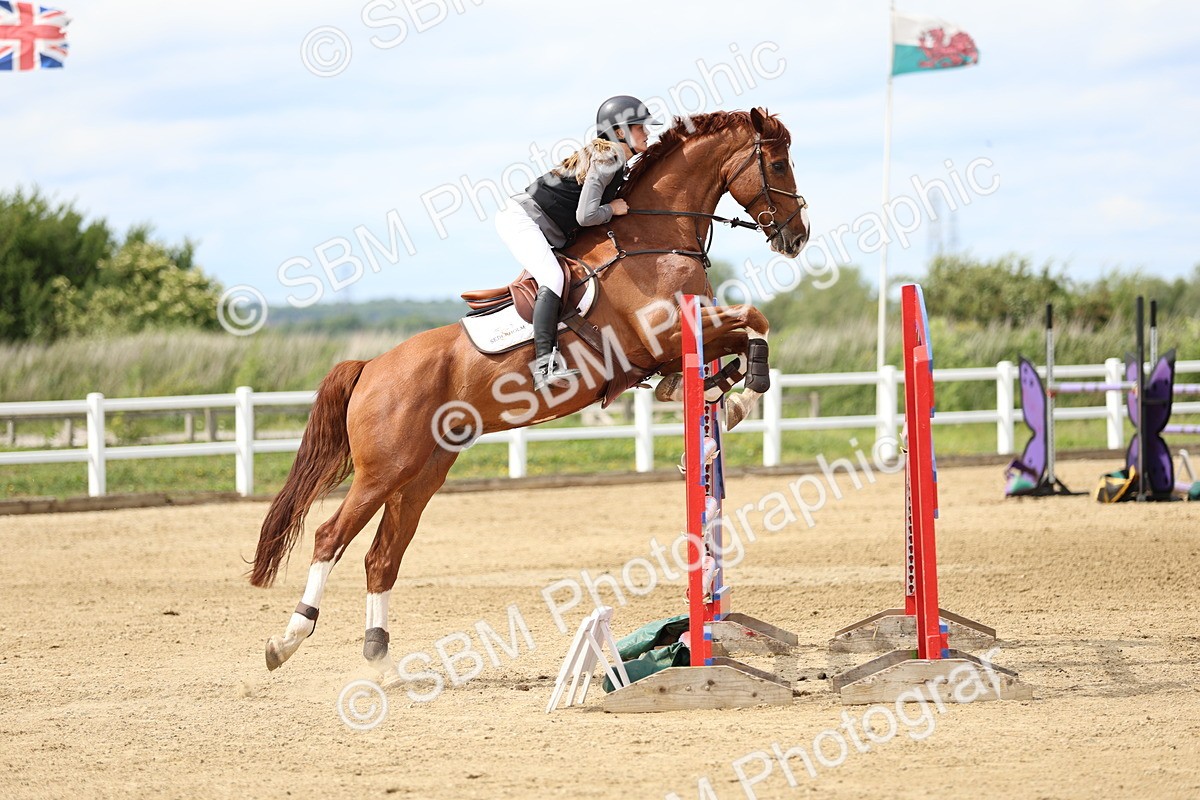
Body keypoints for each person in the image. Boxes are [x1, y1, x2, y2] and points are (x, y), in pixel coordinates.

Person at [495, 95, 657, 390]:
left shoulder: (617, 162)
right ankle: (544, 366)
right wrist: (613, 210)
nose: (647, 133)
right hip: (522, 221)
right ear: (620, 132)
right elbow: (586, 216)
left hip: (545, 227)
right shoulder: (608, 160)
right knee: (553, 277)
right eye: (640, 127)